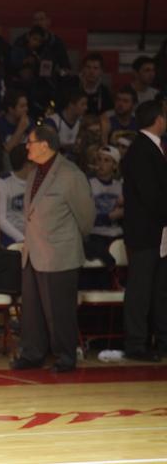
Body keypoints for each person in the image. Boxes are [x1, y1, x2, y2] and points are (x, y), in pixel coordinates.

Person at [11, 124, 95, 373]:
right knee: (33, 312)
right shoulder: (34, 172)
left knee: (60, 311)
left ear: (44, 145)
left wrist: (63, 242)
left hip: (60, 253)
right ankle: (33, 354)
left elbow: (86, 218)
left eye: (30, 142)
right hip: (33, 252)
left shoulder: (70, 175)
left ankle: (66, 357)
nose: (27, 146)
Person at [120, 100, 167, 362]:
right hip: (145, 231)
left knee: (159, 289)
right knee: (141, 289)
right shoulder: (141, 150)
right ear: (158, 119)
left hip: (157, 231)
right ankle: (136, 343)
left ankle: (161, 339)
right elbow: (151, 196)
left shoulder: (151, 148)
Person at [84, 145, 123, 269]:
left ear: (114, 165)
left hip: (117, 234)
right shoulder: (88, 184)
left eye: (106, 161)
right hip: (96, 235)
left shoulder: (121, 187)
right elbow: (85, 216)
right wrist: (109, 217)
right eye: (99, 160)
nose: (101, 164)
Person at [0, 143, 32, 246]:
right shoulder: (2, 184)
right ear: (27, 164)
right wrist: (22, 239)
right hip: (11, 240)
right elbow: (1, 220)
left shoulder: (40, 183)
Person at [45, 89, 87, 156]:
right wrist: (67, 147)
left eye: (86, 104)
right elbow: (47, 145)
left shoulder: (81, 122)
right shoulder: (53, 121)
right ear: (71, 105)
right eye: (82, 104)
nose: (86, 108)